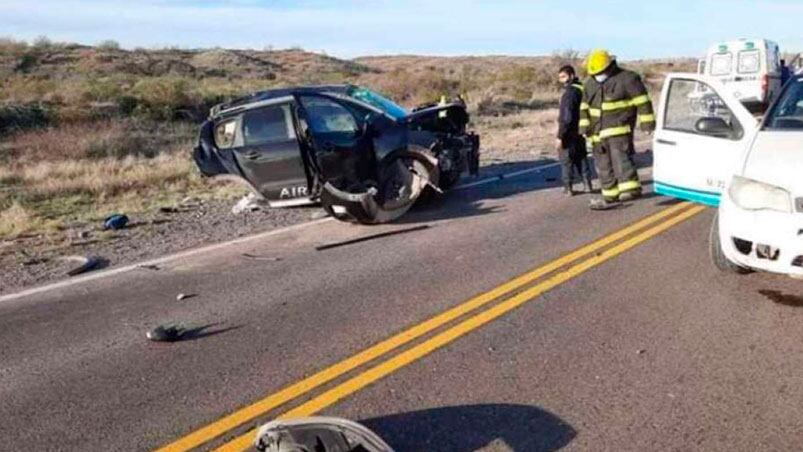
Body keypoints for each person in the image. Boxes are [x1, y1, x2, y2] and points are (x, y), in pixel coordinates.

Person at [579, 49, 656, 210]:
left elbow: (642, 101)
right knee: (603, 164)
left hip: (619, 128)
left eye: (600, 72)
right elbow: (584, 107)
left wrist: (647, 124)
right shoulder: (590, 83)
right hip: (596, 133)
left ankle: (630, 189)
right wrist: (583, 127)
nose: (598, 75)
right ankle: (610, 193)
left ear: (609, 67)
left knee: (621, 159)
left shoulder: (627, 79)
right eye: (595, 73)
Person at [555, 65, 593, 196]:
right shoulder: (583, 88)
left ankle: (568, 187)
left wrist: (560, 136)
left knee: (566, 160)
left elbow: (567, 116)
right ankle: (587, 184)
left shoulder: (569, 93)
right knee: (581, 157)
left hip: (569, 132)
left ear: (571, 76)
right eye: (560, 77)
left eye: (564, 77)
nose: (561, 80)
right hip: (581, 129)